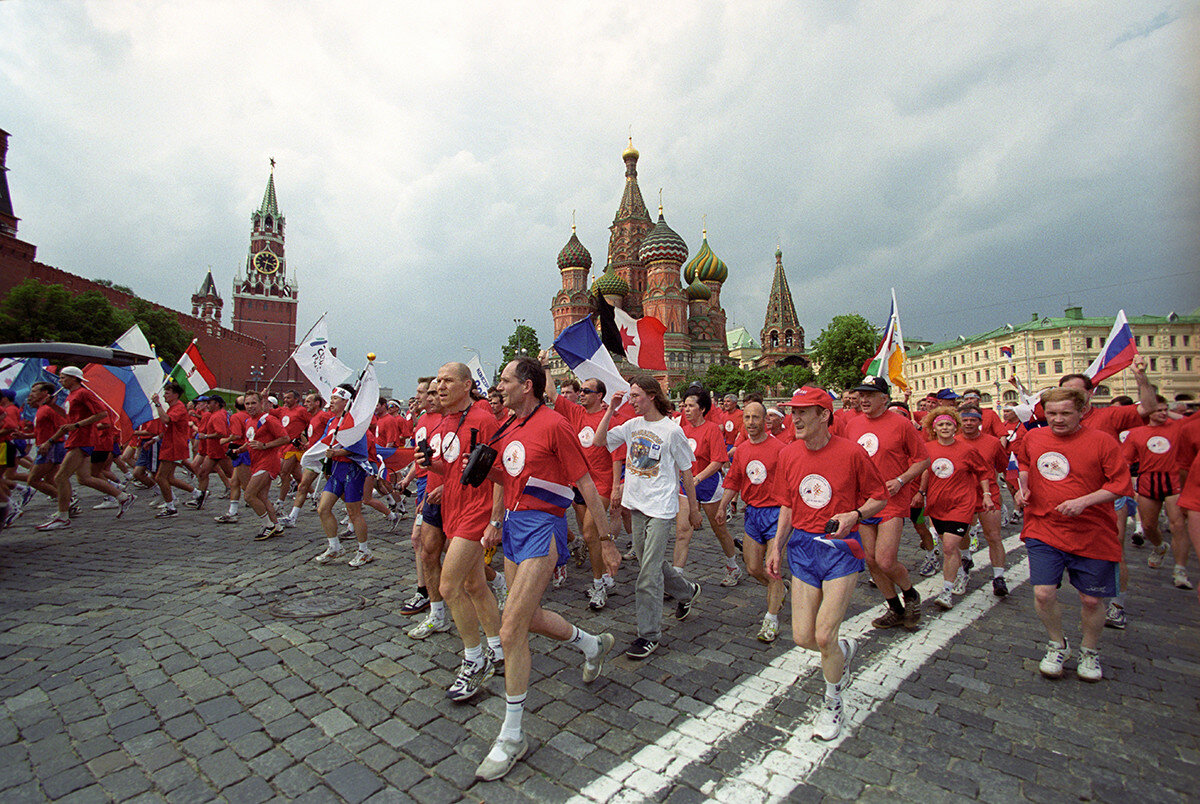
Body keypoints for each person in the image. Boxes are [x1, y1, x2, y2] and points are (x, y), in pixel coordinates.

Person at [473, 357, 615, 781]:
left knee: (510, 628)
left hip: (543, 528)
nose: (499, 386)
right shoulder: (509, 426)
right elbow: (504, 477)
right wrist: (494, 520)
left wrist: (605, 541)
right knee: (527, 617)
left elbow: (585, 482)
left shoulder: (554, 424)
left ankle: (513, 735)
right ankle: (591, 644)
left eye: (506, 379)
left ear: (528, 386)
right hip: (515, 527)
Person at [765, 387, 887, 741]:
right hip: (803, 547)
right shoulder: (789, 455)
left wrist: (855, 515)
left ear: (824, 415)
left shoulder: (851, 453)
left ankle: (833, 701)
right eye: (793, 411)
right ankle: (843, 650)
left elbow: (881, 496)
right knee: (804, 637)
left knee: (823, 634)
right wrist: (777, 547)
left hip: (840, 548)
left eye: (804, 412)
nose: (795, 418)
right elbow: (787, 504)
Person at [1015, 387, 1132, 682]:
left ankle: (1089, 651)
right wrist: (1022, 487)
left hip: (1092, 531)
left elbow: (1120, 484)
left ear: (1082, 410)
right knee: (1043, 593)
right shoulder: (1035, 436)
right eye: (1052, 413)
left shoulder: (1102, 441)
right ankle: (1058, 644)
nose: (1058, 419)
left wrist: (1084, 501)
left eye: (1066, 413)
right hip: (1044, 526)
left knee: (1091, 600)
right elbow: (1025, 464)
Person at [596, 376, 702, 660]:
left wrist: (693, 509)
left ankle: (649, 635)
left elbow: (686, 471)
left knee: (648, 574)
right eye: (630, 396)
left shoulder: (671, 431)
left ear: (652, 396)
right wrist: (610, 409)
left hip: (661, 508)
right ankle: (686, 591)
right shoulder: (631, 426)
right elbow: (598, 440)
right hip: (636, 505)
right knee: (648, 561)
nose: (631, 401)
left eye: (636, 395)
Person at [416, 363, 503, 702]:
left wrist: (495, 518)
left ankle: (474, 659)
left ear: (467, 385)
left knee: (449, 584)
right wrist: (430, 466)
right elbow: (453, 468)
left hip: (476, 511)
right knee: (474, 584)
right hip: (452, 507)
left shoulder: (483, 419)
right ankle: (498, 649)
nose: (440, 385)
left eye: (448, 380)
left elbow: (498, 472)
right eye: (437, 379)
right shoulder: (443, 422)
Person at [844, 377, 929, 630]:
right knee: (870, 560)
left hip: (891, 500)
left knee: (885, 559)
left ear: (884, 398)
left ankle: (911, 593)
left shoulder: (901, 424)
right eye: (861, 394)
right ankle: (895, 608)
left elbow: (923, 460)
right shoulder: (853, 424)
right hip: (863, 501)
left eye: (870, 395)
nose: (864, 399)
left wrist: (902, 480)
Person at [542, 358, 623, 610]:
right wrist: (544, 366)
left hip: (601, 484)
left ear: (600, 395)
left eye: (587, 391)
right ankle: (603, 570)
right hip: (578, 483)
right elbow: (552, 393)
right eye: (582, 390)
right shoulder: (575, 412)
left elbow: (617, 456)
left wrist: (617, 487)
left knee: (590, 532)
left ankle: (598, 585)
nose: (582, 394)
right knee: (589, 535)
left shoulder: (611, 419)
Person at [716, 398, 786, 641]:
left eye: (756, 417)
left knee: (772, 567)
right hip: (753, 513)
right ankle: (778, 591)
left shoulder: (780, 448)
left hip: (776, 513)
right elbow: (734, 481)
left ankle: (771, 619)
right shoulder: (743, 450)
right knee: (754, 568)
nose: (751, 422)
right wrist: (723, 506)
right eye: (747, 418)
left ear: (765, 420)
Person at [36, 367, 136, 530]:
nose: (60, 381)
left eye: (63, 377)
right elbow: (70, 418)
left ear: (73, 378)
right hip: (78, 439)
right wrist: (54, 407)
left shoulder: (84, 393)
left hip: (82, 439)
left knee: (60, 477)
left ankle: (63, 516)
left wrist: (77, 425)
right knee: (84, 478)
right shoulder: (71, 395)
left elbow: (101, 414)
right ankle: (123, 496)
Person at [917, 407, 990, 610]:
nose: (945, 427)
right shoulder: (928, 448)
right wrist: (921, 493)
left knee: (949, 547)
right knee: (950, 544)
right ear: (934, 428)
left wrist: (987, 495)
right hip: (937, 504)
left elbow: (983, 472)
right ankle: (963, 566)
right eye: (941, 424)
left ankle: (947, 592)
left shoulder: (967, 449)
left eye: (949, 424)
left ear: (955, 427)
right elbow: (924, 472)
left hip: (961, 504)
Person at [674, 386, 742, 585]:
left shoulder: (711, 429)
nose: (686, 409)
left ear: (702, 409)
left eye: (691, 406)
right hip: (685, 486)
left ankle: (733, 566)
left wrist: (698, 478)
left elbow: (718, 461)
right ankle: (677, 579)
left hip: (708, 485)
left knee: (719, 529)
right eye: (684, 405)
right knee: (682, 532)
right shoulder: (681, 431)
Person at [1123, 396, 1190, 588]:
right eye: (1158, 409)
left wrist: (1167, 411)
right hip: (1149, 481)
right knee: (1149, 525)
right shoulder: (1136, 433)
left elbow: (1191, 423)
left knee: (1178, 525)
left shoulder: (1178, 427)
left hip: (1174, 480)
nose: (1162, 413)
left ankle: (1180, 569)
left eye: (1164, 409)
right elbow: (1125, 459)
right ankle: (1160, 546)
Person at [312, 385, 375, 564]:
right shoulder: (333, 421)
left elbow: (360, 449)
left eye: (335, 399)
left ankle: (364, 550)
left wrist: (338, 453)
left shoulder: (354, 422)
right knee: (323, 508)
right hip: (336, 471)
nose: (331, 402)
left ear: (346, 402)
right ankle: (334, 546)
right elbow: (325, 443)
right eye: (331, 399)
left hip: (351, 471)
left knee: (354, 512)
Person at [958, 407, 1012, 595]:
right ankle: (965, 557)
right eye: (965, 420)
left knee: (993, 536)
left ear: (980, 422)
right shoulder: (953, 442)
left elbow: (1003, 465)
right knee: (961, 533)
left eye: (973, 420)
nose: (969, 423)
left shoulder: (993, 442)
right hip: (963, 495)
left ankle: (999, 577)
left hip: (988, 495)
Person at [236, 391, 290, 541]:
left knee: (249, 495)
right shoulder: (249, 421)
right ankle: (277, 526)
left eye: (253, 403)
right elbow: (252, 441)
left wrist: (265, 445)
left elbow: (285, 438)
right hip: (257, 462)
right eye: (247, 403)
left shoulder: (268, 419)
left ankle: (268, 525)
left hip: (268, 463)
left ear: (261, 404)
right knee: (262, 496)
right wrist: (240, 449)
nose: (250, 406)